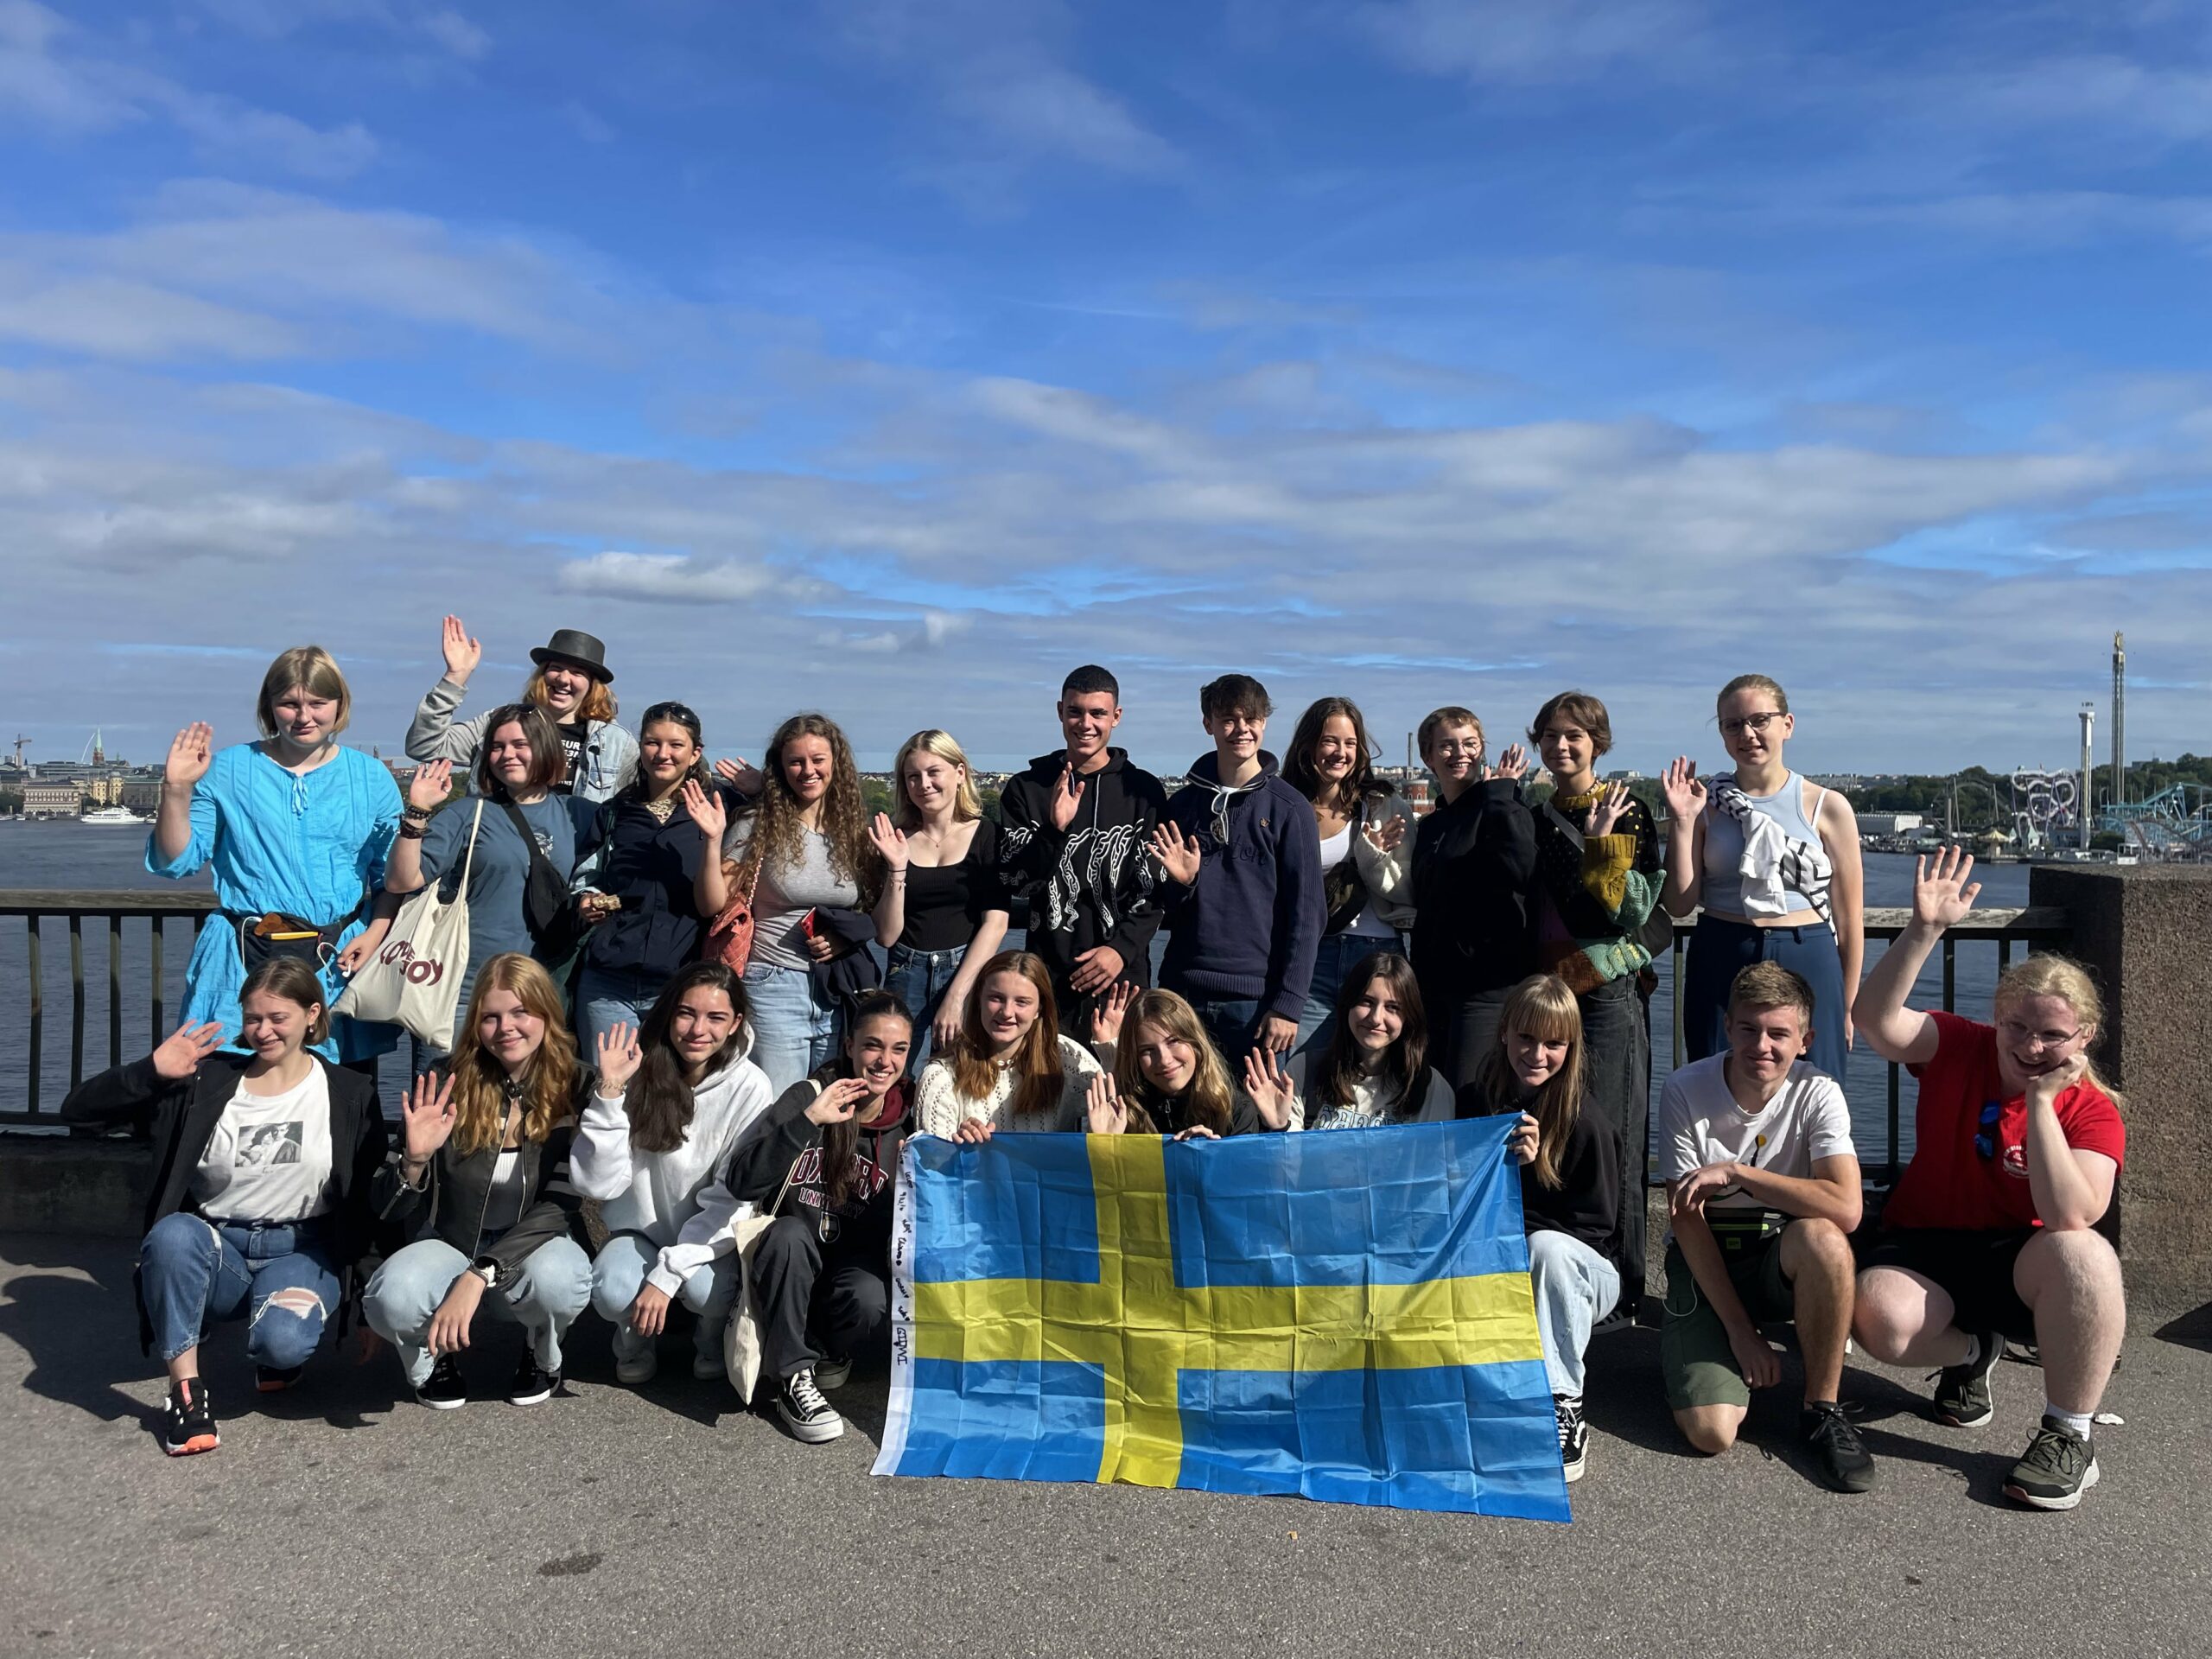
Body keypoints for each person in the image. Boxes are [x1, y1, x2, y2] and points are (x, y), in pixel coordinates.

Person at [1850, 849, 2126, 1512]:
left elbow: (2070, 1217)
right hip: (1927, 1242)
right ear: (1997, 1016)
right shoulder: (1959, 1044)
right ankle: (1973, 1353)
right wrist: (1924, 930)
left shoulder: (2092, 1109)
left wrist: (2036, 1105)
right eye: (2018, 1027)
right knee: (1879, 1319)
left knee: (2085, 1255)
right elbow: (1876, 1024)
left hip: (2022, 1261)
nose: (2032, 1047)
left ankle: (2068, 1435)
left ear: (2084, 1035)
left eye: (2053, 1035)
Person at [60, 959, 389, 1458]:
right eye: (253, 1018)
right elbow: (79, 1114)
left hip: (303, 1249)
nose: (263, 1031)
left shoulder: (348, 1092)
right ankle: (187, 1396)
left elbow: (363, 1198)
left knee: (281, 1342)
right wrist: (150, 1073)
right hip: (220, 1249)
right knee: (173, 1234)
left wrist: (366, 1297)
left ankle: (275, 1349)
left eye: (278, 1017)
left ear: (311, 1015)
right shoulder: (206, 1085)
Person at [1657, 963, 1873, 1493]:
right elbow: (1687, 1221)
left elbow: (1847, 1208)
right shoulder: (1685, 1089)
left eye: (1779, 1033)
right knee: (1711, 1434)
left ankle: (1822, 1409)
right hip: (1707, 1255)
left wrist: (1738, 1173)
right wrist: (1741, 1333)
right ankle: (1721, 1348)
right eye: (1750, 1029)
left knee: (1825, 1238)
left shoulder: (1819, 1092)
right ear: (1728, 1027)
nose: (1762, 1046)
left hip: (1779, 1249)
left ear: (1805, 1040)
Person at [149, 646, 401, 1071]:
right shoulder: (226, 769)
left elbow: (396, 878)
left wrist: (374, 934)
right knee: (227, 1086)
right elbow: (178, 861)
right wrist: (175, 790)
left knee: (340, 1100)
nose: (304, 716)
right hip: (239, 960)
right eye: (290, 703)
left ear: (339, 706)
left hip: (337, 960)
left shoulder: (370, 777)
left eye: (318, 703)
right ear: (270, 707)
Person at [363, 955, 594, 1409]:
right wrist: (414, 1160)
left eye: (520, 1012)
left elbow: (563, 1202)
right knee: (392, 1297)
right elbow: (386, 1209)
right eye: (490, 1016)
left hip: (536, 1241)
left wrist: (479, 1273)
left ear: (547, 1014)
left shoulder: (578, 1084)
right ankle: (432, 1356)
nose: (506, 1027)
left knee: (560, 1282)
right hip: (454, 1238)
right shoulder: (446, 1079)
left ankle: (540, 1351)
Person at [725, 991, 915, 1444]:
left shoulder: (909, 1124)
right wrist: (809, 1120)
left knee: (869, 1297)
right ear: (849, 1045)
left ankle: (828, 1351)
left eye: (899, 1049)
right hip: (787, 1264)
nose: (884, 1060)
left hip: (849, 1273)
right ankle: (792, 1376)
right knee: (789, 1233)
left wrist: (913, 1180)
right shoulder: (808, 1095)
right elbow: (742, 1181)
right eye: (873, 1045)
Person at [571, 963, 775, 1386]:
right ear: (668, 1015)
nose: (698, 1029)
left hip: (710, 1238)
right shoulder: (636, 1070)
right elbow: (595, 1185)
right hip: (641, 1230)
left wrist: (666, 1277)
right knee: (610, 1288)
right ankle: (633, 1343)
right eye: (686, 1013)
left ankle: (708, 1340)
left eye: (716, 1017)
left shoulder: (751, 1086)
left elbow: (731, 1199)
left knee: (708, 1291)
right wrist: (608, 1094)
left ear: (736, 1022)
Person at [1528, 690, 1662, 1314]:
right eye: (1551, 735)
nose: (1561, 746)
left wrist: (1601, 844)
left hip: (1604, 988)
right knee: (1559, 1125)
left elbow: (1633, 909)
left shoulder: (1629, 810)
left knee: (1614, 1129)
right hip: (1548, 989)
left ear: (1598, 744)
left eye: (1574, 736)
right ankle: (1574, 1268)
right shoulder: (1534, 808)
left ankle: (1622, 1280)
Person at [1661, 673, 1864, 1084]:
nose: (1747, 734)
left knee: (1817, 1089)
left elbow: (1849, 916)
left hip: (1808, 953)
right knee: (1715, 1088)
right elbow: (1680, 903)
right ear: (1722, 734)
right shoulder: (1706, 802)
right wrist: (1683, 821)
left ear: (1787, 725)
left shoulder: (1828, 806)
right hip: (1722, 950)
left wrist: (1847, 1005)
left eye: (1760, 720)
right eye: (1733, 724)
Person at [1457, 974, 1619, 1482]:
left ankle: (1564, 1404)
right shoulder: (1473, 1099)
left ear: (1571, 1049)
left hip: (1581, 1273)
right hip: (1502, 1260)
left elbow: (1599, 1231)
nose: (1537, 1054)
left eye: (1554, 1043)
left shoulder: (1586, 1122)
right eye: (1526, 1038)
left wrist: (1529, 1175)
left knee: (1546, 1248)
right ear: (1504, 1033)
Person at [355, 707, 577, 1057]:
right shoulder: (468, 813)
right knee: (444, 1103)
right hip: (462, 993)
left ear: (546, 747)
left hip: (539, 996)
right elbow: (401, 881)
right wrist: (417, 812)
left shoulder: (577, 815)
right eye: (497, 747)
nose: (507, 755)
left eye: (520, 744)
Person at [694, 713, 884, 1096]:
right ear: (780, 768)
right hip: (773, 982)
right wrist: (713, 842)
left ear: (836, 764)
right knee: (781, 1106)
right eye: (795, 761)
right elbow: (710, 905)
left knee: (831, 1102)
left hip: (836, 989)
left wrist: (844, 939)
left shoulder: (852, 831)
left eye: (818, 760)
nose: (807, 771)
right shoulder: (756, 824)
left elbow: (867, 915)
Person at [1151, 673, 1325, 1068]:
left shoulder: (1290, 809)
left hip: (1257, 1003)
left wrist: (1289, 1004)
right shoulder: (1180, 807)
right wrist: (1185, 883)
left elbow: (1308, 915)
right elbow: (1167, 908)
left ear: (1264, 723)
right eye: (1228, 719)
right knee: (1185, 1121)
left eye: (1252, 718)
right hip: (1183, 994)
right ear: (1208, 724)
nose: (1241, 729)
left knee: (1257, 1122)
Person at [995, 665, 1169, 1027]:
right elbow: (1015, 881)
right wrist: (1053, 831)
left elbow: (1155, 890)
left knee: (1118, 1082)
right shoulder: (1027, 789)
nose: (1085, 723)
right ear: (1060, 711)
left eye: (1098, 713)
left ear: (1116, 717)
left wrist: (1120, 949)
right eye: (1075, 711)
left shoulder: (1144, 792)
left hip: (1120, 977)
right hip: (1047, 976)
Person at [570, 701, 717, 1053]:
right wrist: (585, 900)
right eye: (652, 743)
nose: (662, 754)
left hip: (681, 983)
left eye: (675, 745)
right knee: (608, 1090)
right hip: (609, 981)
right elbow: (584, 875)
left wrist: (756, 786)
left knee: (668, 1096)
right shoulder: (614, 813)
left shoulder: (718, 808)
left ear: (695, 754)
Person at [1408, 706, 1536, 1090]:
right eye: (1446, 746)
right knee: (1429, 1096)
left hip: (1485, 988)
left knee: (1468, 1096)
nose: (1459, 753)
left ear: (1482, 751)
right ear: (1428, 757)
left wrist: (1501, 792)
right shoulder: (1432, 825)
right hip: (1432, 987)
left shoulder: (1499, 807)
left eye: (1469, 744)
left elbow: (1521, 867)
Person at [868, 729, 1011, 1065]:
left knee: (956, 1079)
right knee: (894, 1078)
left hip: (966, 969)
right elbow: (886, 935)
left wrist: (957, 995)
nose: (924, 784)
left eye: (934, 772)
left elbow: (997, 922)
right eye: (913, 777)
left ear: (959, 773)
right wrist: (896, 867)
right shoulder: (895, 838)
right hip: (905, 971)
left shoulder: (987, 834)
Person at [1281, 697, 1417, 1048]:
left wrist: (1372, 858)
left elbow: (1408, 892)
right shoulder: (1287, 806)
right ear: (1308, 745)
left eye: (1350, 743)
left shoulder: (1384, 806)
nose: (1340, 752)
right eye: (1330, 741)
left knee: (1375, 1075)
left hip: (1378, 957)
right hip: (1311, 959)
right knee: (1298, 1071)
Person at [406, 618, 638, 802]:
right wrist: (455, 678)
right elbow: (424, 745)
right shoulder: (498, 724)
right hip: (500, 855)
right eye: (556, 668)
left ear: (592, 687)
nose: (564, 679)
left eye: (578, 673)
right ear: (541, 675)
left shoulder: (617, 743)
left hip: (580, 860)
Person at [1243, 951, 1454, 1130]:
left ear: (1409, 1017)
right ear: (1347, 1004)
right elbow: (1291, 1169)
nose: (1375, 1018)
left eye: (1392, 1007)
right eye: (1366, 1001)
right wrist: (1281, 1127)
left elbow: (1436, 1170)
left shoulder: (1430, 1086)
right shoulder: (1305, 1070)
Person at [914, 951, 1101, 1139]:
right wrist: (961, 1152)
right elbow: (932, 1163)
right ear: (979, 999)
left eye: (1021, 1002)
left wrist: (1109, 1054)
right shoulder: (942, 1078)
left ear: (1039, 1009)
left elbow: (1115, 1117)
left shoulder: (1068, 1059)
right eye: (996, 998)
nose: (1007, 1012)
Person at [1086, 986, 1286, 1138]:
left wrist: (1277, 1129)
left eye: (1174, 1042)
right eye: (1147, 1050)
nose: (1164, 1060)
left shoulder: (1234, 1110)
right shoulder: (1120, 1113)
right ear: (1135, 1059)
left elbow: (1257, 1183)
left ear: (1196, 1043)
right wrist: (1104, 1145)